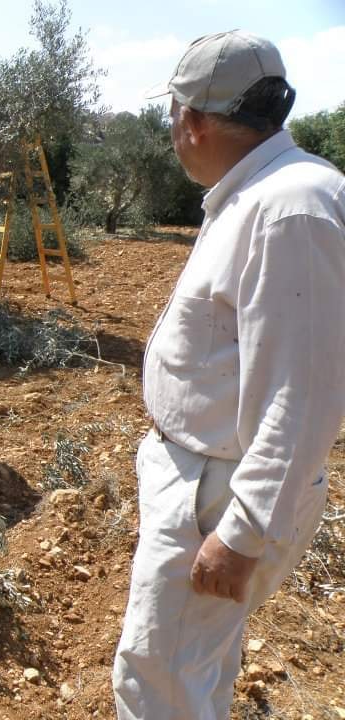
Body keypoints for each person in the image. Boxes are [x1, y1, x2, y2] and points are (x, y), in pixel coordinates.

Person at [112, 30, 345, 719]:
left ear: (194, 120)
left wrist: (243, 532)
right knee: (188, 666)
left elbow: (303, 395)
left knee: (161, 682)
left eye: (174, 116)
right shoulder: (262, 193)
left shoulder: (291, 208)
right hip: (203, 481)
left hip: (218, 492)